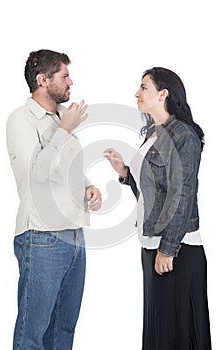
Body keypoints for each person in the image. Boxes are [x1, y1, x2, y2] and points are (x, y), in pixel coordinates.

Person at [104, 67, 212, 349]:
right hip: (152, 243)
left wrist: (168, 248)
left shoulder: (183, 135)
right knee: (159, 330)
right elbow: (154, 192)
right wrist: (126, 173)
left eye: (144, 87)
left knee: (176, 332)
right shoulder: (153, 133)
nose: (137, 93)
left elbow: (183, 193)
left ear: (163, 93)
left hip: (177, 249)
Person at [6, 49, 102, 350]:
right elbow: (37, 173)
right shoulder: (21, 120)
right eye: (64, 75)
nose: (71, 81)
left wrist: (87, 187)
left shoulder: (60, 119)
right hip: (42, 237)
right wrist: (64, 130)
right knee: (32, 335)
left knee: (63, 332)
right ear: (43, 80)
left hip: (74, 236)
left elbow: (65, 169)